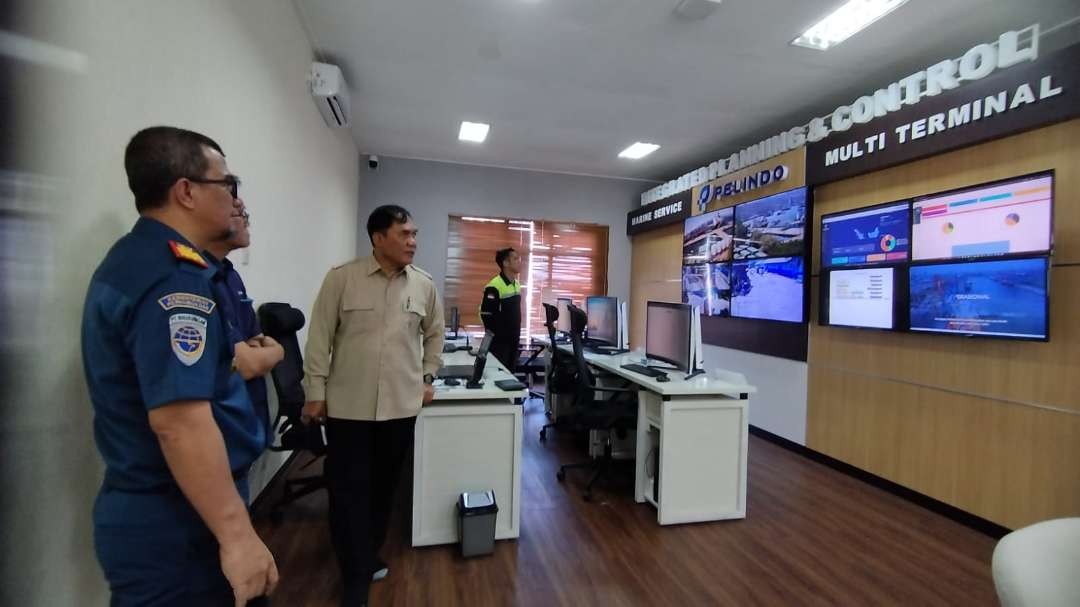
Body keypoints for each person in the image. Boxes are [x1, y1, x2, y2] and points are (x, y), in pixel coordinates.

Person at [81, 126, 277, 606]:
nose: (235, 198)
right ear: (186, 191)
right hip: (176, 518)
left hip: (179, 504)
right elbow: (180, 424)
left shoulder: (141, 260)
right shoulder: (173, 279)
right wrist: (237, 536)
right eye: (226, 184)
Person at [301, 205, 444, 607]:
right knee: (347, 492)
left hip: (400, 407)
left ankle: (367, 555)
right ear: (378, 238)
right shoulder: (342, 279)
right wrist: (315, 391)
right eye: (404, 234)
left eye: (415, 234)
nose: (413, 242)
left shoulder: (423, 285)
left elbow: (435, 335)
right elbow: (319, 340)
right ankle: (353, 573)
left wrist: (428, 377)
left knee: (384, 490)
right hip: (349, 407)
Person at [204, 203, 284, 446]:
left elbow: (256, 337)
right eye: (241, 216)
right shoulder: (198, 278)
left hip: (247, 418)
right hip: (218, 432)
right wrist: (278, 352)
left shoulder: (230, 274)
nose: (247, 222)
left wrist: (253, 352)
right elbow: (245, 365)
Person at [479, 247, 523, 372]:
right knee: (498, 378)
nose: (519, 261)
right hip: (500, 344)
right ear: (505, 263)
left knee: (510, 377)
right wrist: (501, 336)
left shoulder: (516, 284)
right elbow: (487, 316)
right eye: (515, 259)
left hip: (513, 341)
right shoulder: (494, 286)